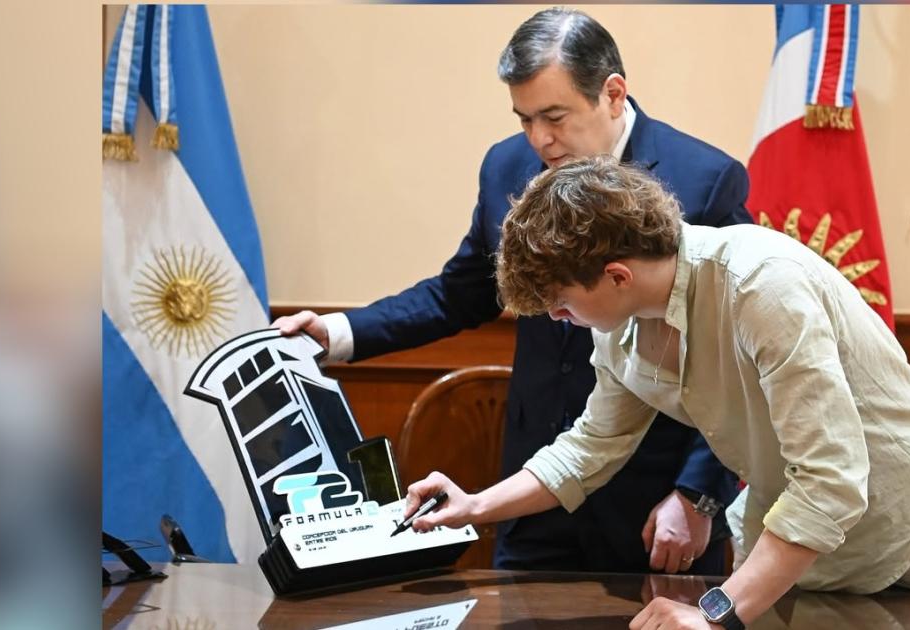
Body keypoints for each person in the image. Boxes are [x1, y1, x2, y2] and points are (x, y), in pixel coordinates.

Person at [401, 156, 910, 629]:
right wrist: (474, 506)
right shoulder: (619, 330)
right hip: (798, 553)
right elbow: (590, 448)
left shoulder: (761, 286)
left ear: (617, 275)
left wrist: (716, 612)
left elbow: (831, 481)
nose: (559, 320)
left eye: (562, 305)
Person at [273, 7, 751, 575]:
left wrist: (698, 495)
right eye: (525, 118)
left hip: (656, 499)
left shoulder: (703, 179)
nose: (539, 140)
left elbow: (736, 358)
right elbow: (460, 294)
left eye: (554, 117)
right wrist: (337, 333)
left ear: (612, 94)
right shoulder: (507, 167)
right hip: (534, 485)